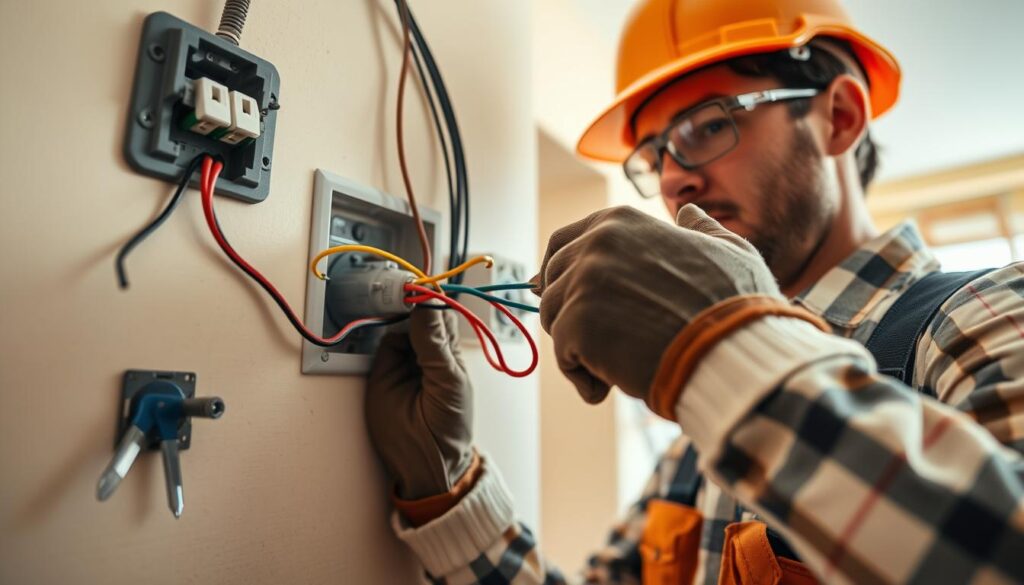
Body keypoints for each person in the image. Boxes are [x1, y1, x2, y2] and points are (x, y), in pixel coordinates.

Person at [365, 0, 1024, 583]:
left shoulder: (982, 315)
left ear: (841, 117)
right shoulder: (696, 441)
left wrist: (722, 348)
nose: (673, 178)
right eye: (654, 156)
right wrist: (452, 496)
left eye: (709, 124)